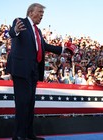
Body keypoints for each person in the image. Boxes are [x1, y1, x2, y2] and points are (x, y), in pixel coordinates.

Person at [6, 3, 64, 140]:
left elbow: (44, 46)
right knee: (22, 103)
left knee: (30, 103)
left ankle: (29, 134)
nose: (42, 16)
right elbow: (12, 33)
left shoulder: (37, 31)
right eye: (40, 13)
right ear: (31, 12)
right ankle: (19, 135)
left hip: (33, 70)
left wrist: (62, 50)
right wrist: (15, 30)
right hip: (21, 69)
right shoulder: (20, 22)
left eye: (43, 14)